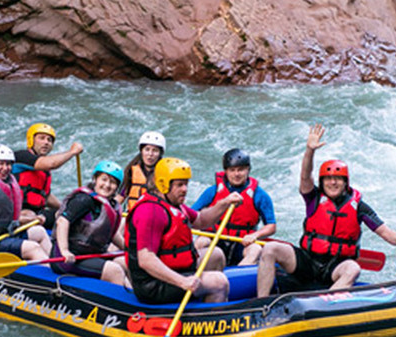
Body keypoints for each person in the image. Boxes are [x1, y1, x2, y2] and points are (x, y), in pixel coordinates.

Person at [256, 124, 396, 298]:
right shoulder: (313, 198)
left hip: (335, 266)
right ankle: (262, 303)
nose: (333, 183)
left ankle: (322, 306)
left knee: (353, 268)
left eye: (337, 179)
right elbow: (305, 176)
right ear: (322, 182)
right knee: (270, 248)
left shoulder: (359, 207)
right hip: (307, 260)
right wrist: (310, 151)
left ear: (345, 182)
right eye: (328, 179)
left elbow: (384, 232)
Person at [124, 157, 243, 304]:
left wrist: (224, 203)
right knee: (219, 282)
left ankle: (204, 301)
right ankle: (209, 316)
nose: (185, 189)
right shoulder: (150, 211)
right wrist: (182, 281)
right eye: (179, 185)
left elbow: (201, 220)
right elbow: (146, 260)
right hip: (152, 284)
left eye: (186, 184)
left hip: (173, 269)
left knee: (216, 255)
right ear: (163, 185)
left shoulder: (172, 204)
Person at [193, 148, 277, 266]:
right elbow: (191, 214)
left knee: (255, 250)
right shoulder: (212, 191)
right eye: (232, 170)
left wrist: (255, 235)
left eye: (241, 170)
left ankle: (235, 278)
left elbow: (271, 226)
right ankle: (190, 272)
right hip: (215, 237)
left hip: (242, 242)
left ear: (248, 170)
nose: (236, 174)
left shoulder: (260, 195)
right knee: (201, 242)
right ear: (226, 171)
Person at [50, 160, 127, 285]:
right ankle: (115, 304)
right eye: (104, 179)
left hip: (90, 255)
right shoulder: (83, 199)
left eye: (112, 182)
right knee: (114, 271)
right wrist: (64, 250)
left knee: (125, 262)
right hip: (67, 258)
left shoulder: (111, 205)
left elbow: (112, 234)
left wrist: (129, 249)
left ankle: (133, 298)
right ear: (95, 179)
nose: (107, 185)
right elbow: (62, 221)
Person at [12, 122, 84, 226]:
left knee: (68, 215)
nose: (46, 142)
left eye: (49, 140)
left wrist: (64, 207)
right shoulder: (21, 157)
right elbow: (52, 163)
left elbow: (45, 195)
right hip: (19, 212)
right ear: (31, 140)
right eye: (41, 138)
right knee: (31, 214)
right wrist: (72, 152)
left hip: (38, 212)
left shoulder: (44, 170)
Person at [117, 130, 165, 213]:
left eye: (155, 150)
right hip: (132, 216)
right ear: (141, 151)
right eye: (147, 149)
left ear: (160, 153)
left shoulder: (165, 173)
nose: (150, 154)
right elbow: (120, 197)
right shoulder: (131, 171)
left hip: (155, 217)